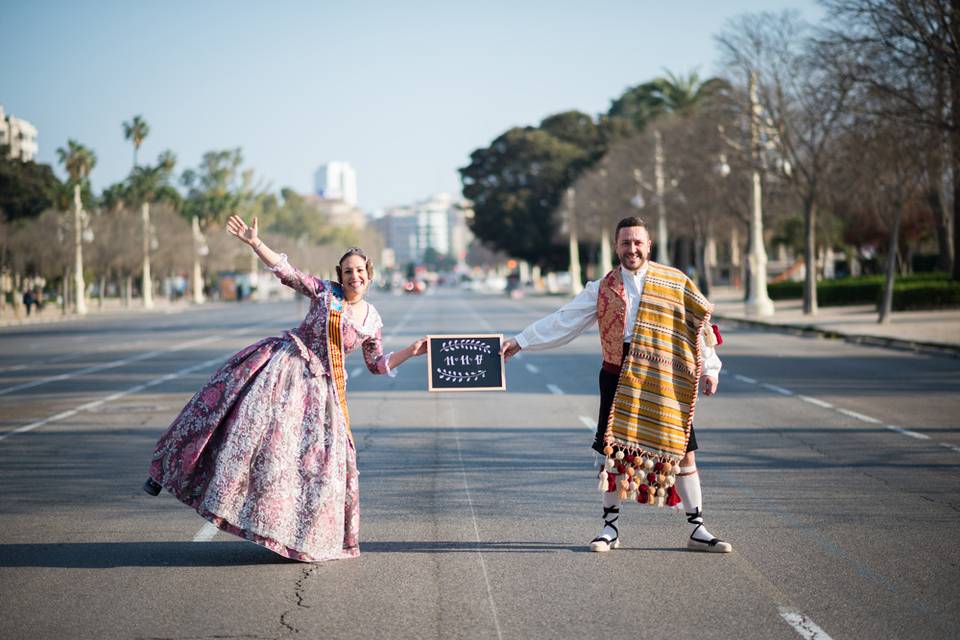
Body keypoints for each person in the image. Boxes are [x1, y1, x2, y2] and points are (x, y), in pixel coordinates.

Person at [144, 214, 427, 562]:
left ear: (370, 275)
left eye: (360, 271)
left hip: (323, 393)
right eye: (348, 271)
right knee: (231, 424)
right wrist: (254, 243)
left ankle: (294, 533)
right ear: (340, 275)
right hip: (283, 369)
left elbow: (376, 364)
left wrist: (412, 352)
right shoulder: (326, 292)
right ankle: (166, 468)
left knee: (310, 464)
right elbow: (288, 272)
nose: (354, 276)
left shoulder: (371, 320)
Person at [500, 216, 731, 554]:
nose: (632, 248)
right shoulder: (602, 288)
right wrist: (521, 341)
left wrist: (711, 368)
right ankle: (609, 528)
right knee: (611, 453)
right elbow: (564, 320)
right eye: (626, 243)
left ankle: (698, 529)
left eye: (638, 242)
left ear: (648, 245)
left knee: (683, 450)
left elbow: (700, 327)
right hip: (617, 374)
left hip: (663, 375)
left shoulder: (675, 282)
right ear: (616, 246)